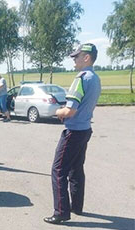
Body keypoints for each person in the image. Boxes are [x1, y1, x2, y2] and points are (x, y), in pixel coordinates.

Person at [44, 43, 101, 224]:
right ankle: (76, 206)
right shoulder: (95, 78)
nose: (74, 60)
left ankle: (61, 212)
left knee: (58, 170)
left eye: (77, 56)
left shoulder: (81, 78)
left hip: (73, 131)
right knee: (77, 169)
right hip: (85, 130)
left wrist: (56, 111)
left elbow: (69, 111)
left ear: (86, 58)